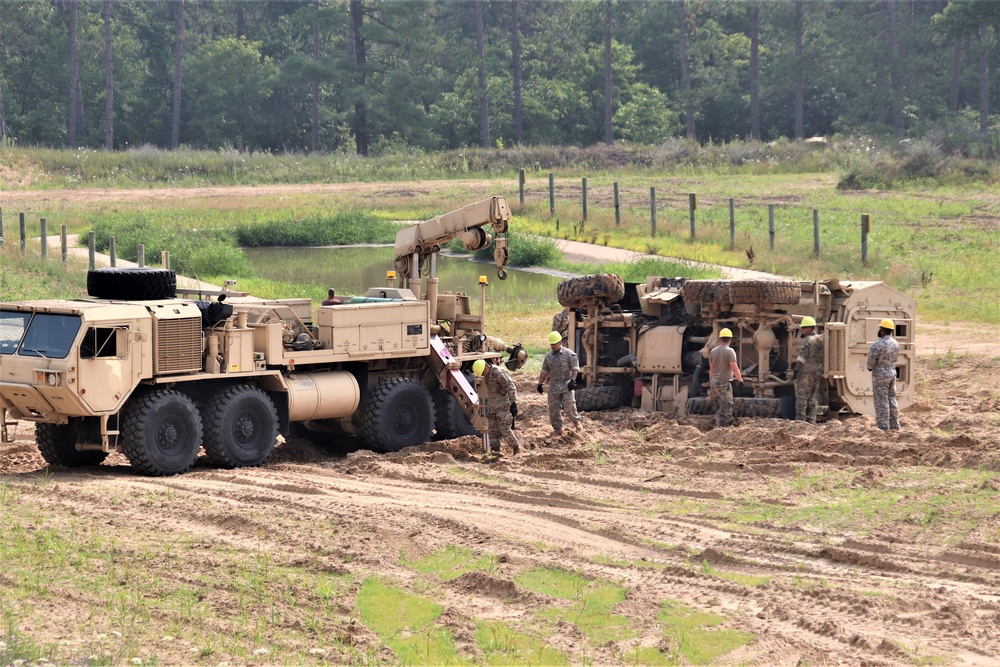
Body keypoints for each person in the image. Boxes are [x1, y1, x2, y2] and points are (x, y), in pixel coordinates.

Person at [537, 331, 582, 437]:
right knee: (553, 408)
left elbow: (575, 368)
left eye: (554, 344)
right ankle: (558, 429)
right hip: (554, 385)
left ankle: (576, 423)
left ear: (560, 343)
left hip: (566, 384)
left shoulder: (569, 354)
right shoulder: (548, 356)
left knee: (569, 405)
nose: (552, 346)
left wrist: (573, 380)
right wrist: (540, 383)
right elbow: (544, 371)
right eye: (551, 344)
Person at [472, 358, 520, 456]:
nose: (482, 376)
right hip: (492, 406)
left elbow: (510, 386)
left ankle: (516, 447)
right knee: (492, 430)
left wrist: (513, 403)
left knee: (504, 429)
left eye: (482, 373)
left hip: (503, 406)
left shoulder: (499, 373)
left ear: (486, 368)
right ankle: (496, 450)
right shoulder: (484, 375)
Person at [867, 318, 900, 431]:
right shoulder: (896, 344)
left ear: (882, 330)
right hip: (892, 373)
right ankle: (895, 425)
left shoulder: (877, 345)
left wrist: (870, 368)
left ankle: (883, 426)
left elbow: (871, 363)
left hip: (880, 375)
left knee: (881, 401)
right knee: (892, 399)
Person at [708, 328, 744, 427]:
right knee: (726, 407)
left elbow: (711, 369)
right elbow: (735, 367)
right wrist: (740, 381)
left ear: (720, 339)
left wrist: (711, 382)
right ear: (730, 339)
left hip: (714, 382)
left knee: (718, 406)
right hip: (724, 383)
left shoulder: (713, 351)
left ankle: (716, 427)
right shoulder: (730, 351)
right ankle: (723, 429)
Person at [793, 316, 824, 424]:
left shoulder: (807, 340)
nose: (802, 330)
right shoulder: (821, 339)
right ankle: (812, 420)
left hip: (806, 373)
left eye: (804, 328)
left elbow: (802, 357)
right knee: (813, 397)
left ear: (809, 328)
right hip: (818, 371)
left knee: (802, 397)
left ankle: (801, 421)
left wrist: (795, 369)